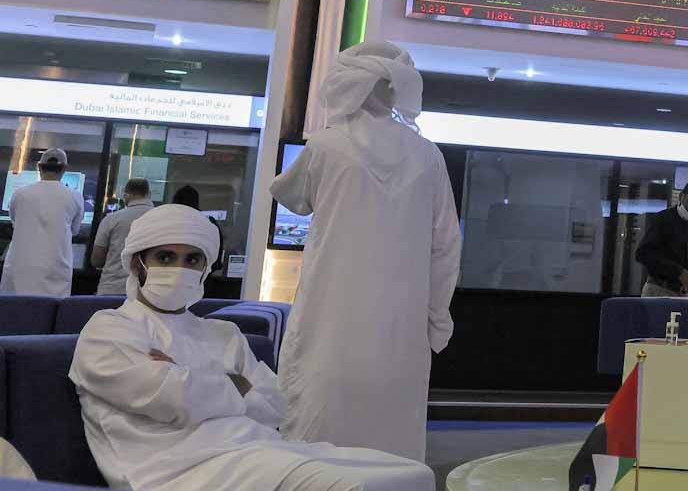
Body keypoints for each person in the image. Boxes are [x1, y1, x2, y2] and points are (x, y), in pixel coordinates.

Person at [69, 205, 434, 491]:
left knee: (411, 474)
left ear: (205, 268)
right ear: (138, 264)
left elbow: (273, 406)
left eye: (192, 259)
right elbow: (170, 398)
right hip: (176, 468)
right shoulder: (110, 329)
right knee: (352, 486)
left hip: (256, 449)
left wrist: (190, 378)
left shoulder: (222, 333)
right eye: (165, 257)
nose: (179, 269)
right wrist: (236, 383)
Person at [269, 41, 462, 463]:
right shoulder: (427, 155)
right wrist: (436, 317)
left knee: (319, 432)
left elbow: (290, 194)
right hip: (402, 325)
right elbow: (447, 245)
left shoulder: (325, 146)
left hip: (328, 318)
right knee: (392, 437)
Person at [0, 147, 85, 296]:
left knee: (14, 308)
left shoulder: (20, 194)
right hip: (56, 270)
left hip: (19, 268)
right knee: (50, 309)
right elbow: (75, 230)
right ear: (64, 168)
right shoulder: (75, 197)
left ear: (39, 166)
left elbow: (15, 222)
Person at [637, 179, 688, 297]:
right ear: (681, 196)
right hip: (658, 289)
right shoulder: (663, 219)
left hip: (681, 292)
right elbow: (642, 254)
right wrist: (678, 271)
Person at [93, 178, 157, 296]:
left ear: (126, 195)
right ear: (148, 194)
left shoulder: (111, 219)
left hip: (112, 289)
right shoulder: (163, 219)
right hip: (149, 291)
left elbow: (97, 260)